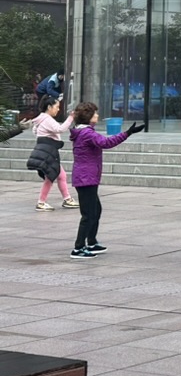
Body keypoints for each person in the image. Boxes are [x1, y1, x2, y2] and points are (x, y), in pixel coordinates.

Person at [68, 102, 145, 258]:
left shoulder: (83, 132)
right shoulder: (87, 133)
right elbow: (106, 143)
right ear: (88, 116)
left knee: (96, 210)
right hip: (86, 178)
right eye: (95, 113)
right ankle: (78, 248)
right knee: (88, 214)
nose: (97, 115)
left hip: (87, 177)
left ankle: (91, 241)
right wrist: (128, 133)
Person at [26, 95, 77, 211]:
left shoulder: (40, 119)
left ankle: (67, 199)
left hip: (45, 151)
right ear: (49, 107)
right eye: (56, 107)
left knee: (60, 175)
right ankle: (41, 202)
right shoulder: (47, 119)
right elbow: (60, 129)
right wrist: (71, 118)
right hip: (48, 153)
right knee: (50, 176)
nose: (58, 109)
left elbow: (35, 131)